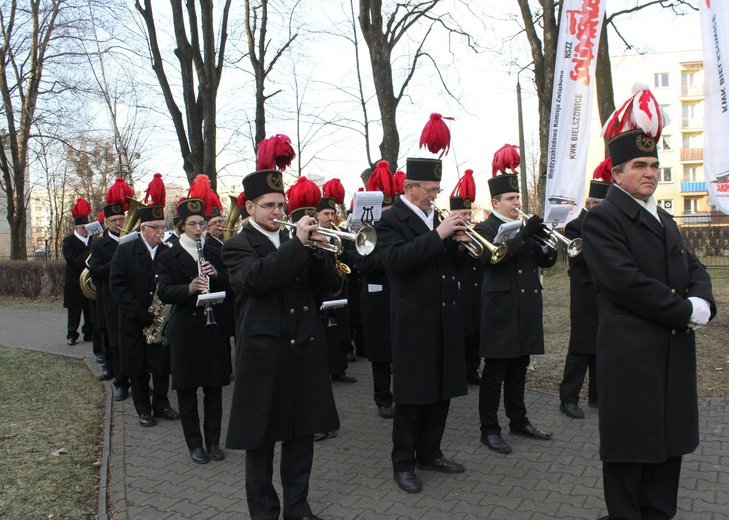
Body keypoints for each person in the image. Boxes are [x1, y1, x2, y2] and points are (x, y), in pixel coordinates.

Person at [582, 127, 715, 519]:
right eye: (639, 165)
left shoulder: (663, 216)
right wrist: (685, 311)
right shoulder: (604, 218)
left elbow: (692, 265)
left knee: (668, 444)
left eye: (655, 165)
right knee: (630, 449)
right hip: (632, 357)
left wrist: (704, 300)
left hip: (671, 353)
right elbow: (625, 283)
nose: (650, 173)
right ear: (616, 174)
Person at [222, 169, 339, 520]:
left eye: (280, 204)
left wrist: (318, 256)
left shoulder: (296, 242)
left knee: (301, 436)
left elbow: (330, 286)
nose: (277, 211)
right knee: (260, 443)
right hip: (264, 355)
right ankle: (264, 513)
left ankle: (298, 508)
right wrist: (298, 246)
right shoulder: (237, 246)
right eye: (268, 205)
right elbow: (258, 279)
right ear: (249, 209)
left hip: (304, 348)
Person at [377, 157, 469, 494]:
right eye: (429, 190)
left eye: (437, 189)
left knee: (441, 389)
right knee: (412, 394)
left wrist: (457, 247)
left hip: (444, 315)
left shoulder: (436, 217)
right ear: (409, 188)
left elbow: (446, 267)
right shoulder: (392, 221)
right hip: (414, 320)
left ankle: (430, 452)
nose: (434, 195)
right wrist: (439, 234)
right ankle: (403, 462)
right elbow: (395, 262)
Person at [474, 169, 557, 455]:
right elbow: (492, 257)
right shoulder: (484, 229)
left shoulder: (522, 227)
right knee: (495, 371)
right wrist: (525, 233)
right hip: (501, 308)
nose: (516, 203)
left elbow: (544, 261)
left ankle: (518, 420)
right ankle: (489, 429)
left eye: (517, 197)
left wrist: (547, 244)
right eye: (510, 198)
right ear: (496, 202)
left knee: (520, 368)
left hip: (526, 307)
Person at [157, 194, 231, 464]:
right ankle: (195, 444)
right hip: (186, 328)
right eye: (193, 225)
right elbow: (164, 291)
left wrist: (217, 276)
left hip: (213, 327)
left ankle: (213, 441)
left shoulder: (214, 250)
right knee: (187, 391)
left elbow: (231, 285)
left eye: (202, 223)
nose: (199, 229)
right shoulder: (169, 255)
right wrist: (189, 288)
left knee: (214, 388)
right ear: (181, 226)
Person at [109, 203, 179, 428]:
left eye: (163, 226)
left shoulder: (167, 251)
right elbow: (117, 285)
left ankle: (161, 404)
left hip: (159, 321)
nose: (161, 232)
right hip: (134, 320)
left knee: (160, 366)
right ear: (143, 229)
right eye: (155, 227)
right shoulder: (125, 250)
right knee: (137, 368)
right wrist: (139, 313)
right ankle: (143, 409)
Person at [557, 163, 611, 419]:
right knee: (581, 347)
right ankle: (568, 398)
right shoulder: (575, 226)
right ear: (590, 204)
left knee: (602, 345)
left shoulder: (609, 225)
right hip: (584, 293)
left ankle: (598, 396)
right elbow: (582, 256)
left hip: (606, 291)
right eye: (599, 203)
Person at [353, 161, 396, 419]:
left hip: (398, 295)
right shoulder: (365, 232)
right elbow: (365, 264)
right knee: (380, 353)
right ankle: (383, 399)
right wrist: (392, 255)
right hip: (375, 298)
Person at [88, 192, 129, 398]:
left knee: (134, 342)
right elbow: (95, 272)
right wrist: (118, 262)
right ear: (105, 223)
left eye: (121, 219)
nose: (118, 223)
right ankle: (121, 383)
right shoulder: (99, 245)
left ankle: (137, 380)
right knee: (115, 343)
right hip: (110, 301)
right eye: (113, 220)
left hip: (131, 299)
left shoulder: (133, 240)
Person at [317, 193, 357, 384]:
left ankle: (340, 370)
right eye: (325, 213)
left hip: (341, 286)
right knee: (325, 331)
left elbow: (353, 255)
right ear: (317, 215)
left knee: (342, 329)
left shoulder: (340, 233)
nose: (330, 217)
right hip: (322, 288)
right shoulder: (312, 233)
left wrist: (342, 253)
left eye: (332, 213)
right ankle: (323, 369)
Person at [449, 169, 483, 385]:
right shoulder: (447, 234)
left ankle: (472, 369)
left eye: (470, 214)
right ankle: (458, 370)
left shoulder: (478, 232)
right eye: (463, 214)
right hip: (458, 292)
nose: (468, 218)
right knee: (460, 334)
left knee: (476, 333)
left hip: (476, 290)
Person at [62, 198, 93, 346]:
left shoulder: (93, 240)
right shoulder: (68, 241)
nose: (85, 230)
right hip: (74, 281)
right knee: (74, 310)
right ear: (76, 228)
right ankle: (72, 334)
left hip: (89, 281)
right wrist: (89, 251)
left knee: (89, 309)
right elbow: (72, 260)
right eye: (82, 228)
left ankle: (89, 333)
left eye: (87, 227)